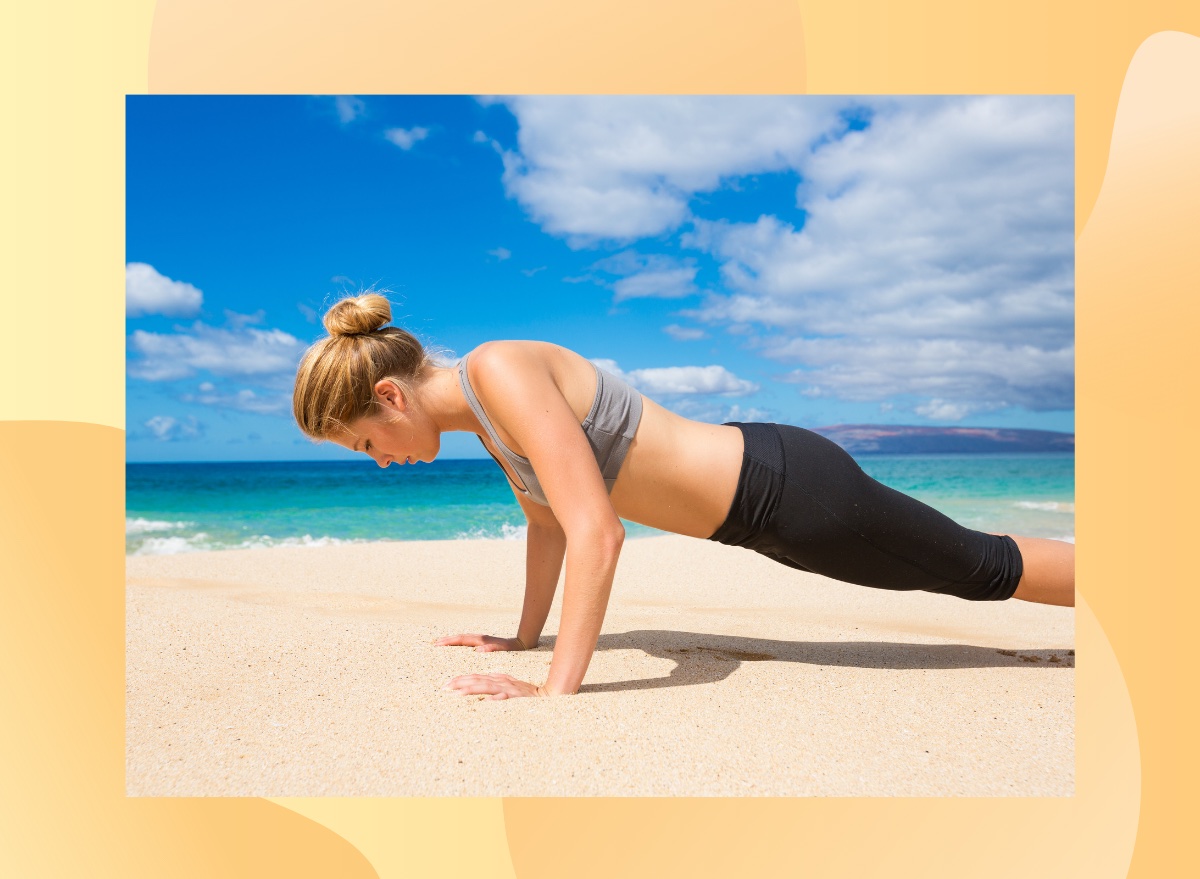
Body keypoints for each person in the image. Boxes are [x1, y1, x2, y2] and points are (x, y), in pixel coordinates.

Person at [292, 293, 1075, 699]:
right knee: (974, 565)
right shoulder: (491, 423)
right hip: (765, 512)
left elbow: (598, 530)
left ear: (390, 397)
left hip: (786, 490)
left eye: (364, 443)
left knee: (983, 567)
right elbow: (550, 528)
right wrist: (521, 639)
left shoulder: (498, 372)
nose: (377, 462)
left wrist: (554, 688)